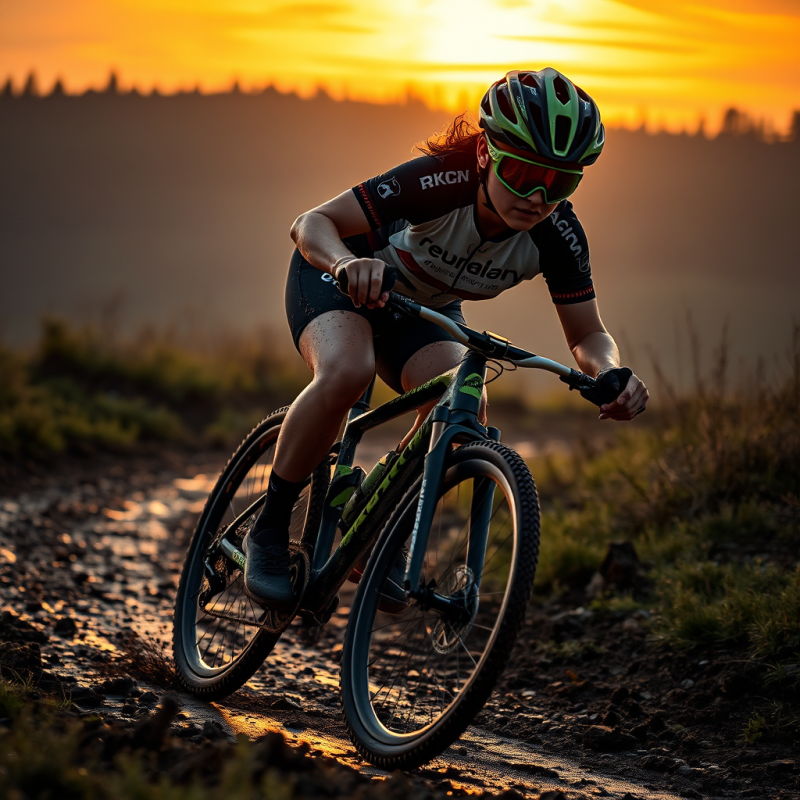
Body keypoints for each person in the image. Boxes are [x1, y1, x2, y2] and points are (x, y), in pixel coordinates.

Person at [242, 67, 649, 611]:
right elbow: (310, 222)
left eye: (559, 182)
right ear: (485, 154)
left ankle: (378, 519)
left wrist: (610, 373)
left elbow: (589, 335)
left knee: (466, 407)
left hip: (422, 309)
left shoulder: (558, 235)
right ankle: (268, 533)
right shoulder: (441, 181)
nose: (535, 195)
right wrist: (346, 263)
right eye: (522, 171)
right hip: (340, 280)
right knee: (346, 371)